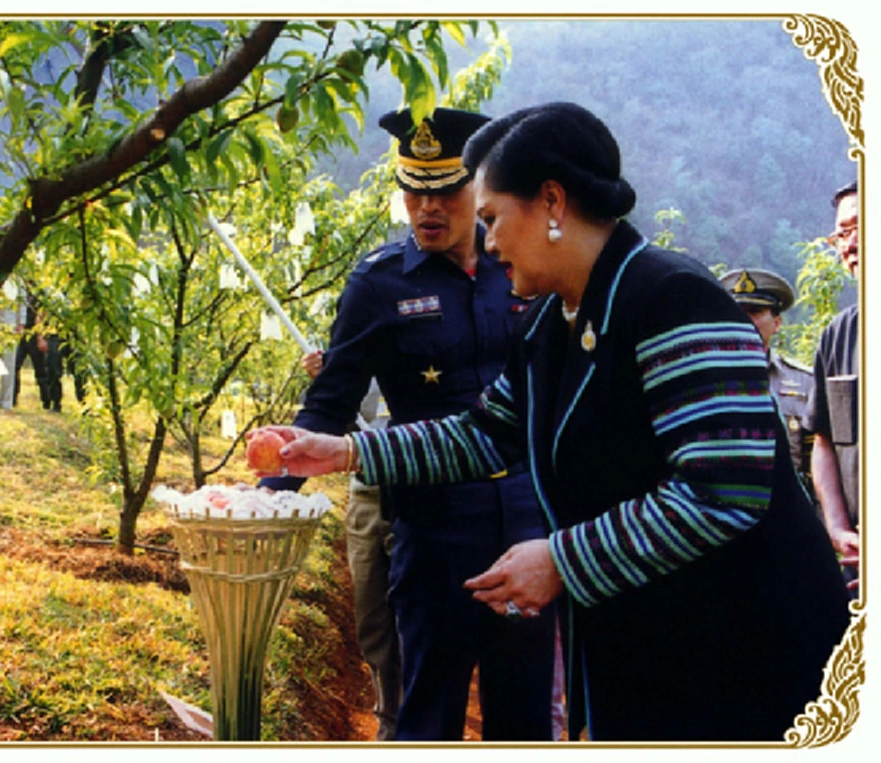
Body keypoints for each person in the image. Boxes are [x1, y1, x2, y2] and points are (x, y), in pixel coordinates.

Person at [252, 102, 850, 741]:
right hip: (655, 641)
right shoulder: (551, 322)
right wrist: (344, 452)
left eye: (492, 218)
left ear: (552, 203)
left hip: (744, 649)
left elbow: (723, 492)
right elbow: (484, 434)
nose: (489, 243)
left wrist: (564, 559)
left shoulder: (673, 297)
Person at [260, 107, 555, 742]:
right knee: (428, 714)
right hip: (433, 530)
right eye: (414, 192)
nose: (428, 208)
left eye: (446, 191)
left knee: (525, 717)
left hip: (531, 525)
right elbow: (330, 402)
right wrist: (266, 499)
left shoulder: (523, 267)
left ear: (478, 187)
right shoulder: (378, 284)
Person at [298, 350, 402, 740]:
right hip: (367, 496)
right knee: (374, 618)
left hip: (419, 495)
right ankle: (389, 720)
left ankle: (421, 722)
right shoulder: (357, 355)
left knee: (416, 615)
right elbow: (336, 423)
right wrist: (326, 381)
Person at [804, 181, 860, 591]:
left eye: (860, 228)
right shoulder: (838, 335)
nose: (850, 244)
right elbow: (823, 441)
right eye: (842, 234)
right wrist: (838, 529)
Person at [718, 268, 816, 497]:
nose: (745, 320)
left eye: (755, 312)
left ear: (777, 323)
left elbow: (819, 466)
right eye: (737, 311)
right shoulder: (704, 382)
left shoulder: (805, 383)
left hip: (791, 508)